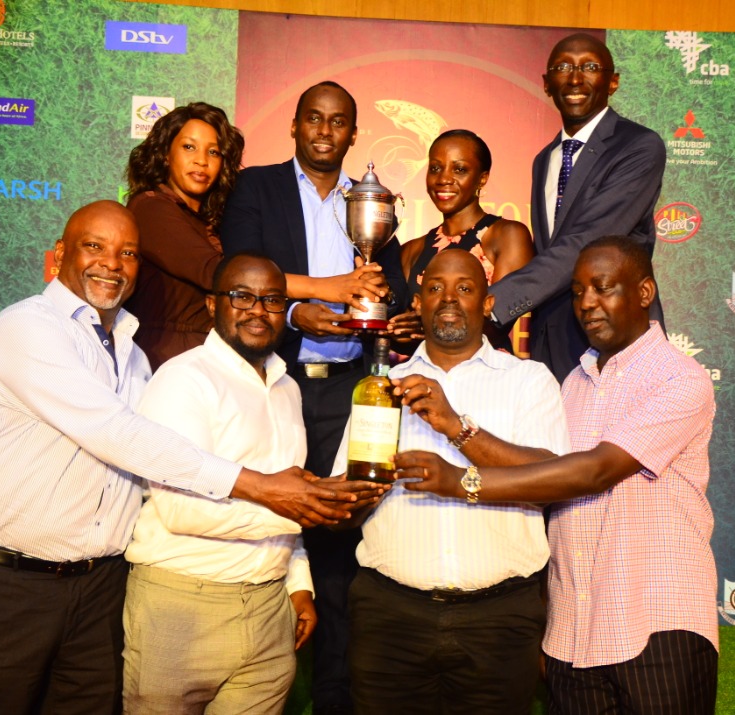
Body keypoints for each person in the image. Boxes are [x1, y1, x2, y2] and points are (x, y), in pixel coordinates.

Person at [0, 201, 377, 715]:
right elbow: (117, 434)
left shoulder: (135, 356)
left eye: (129, 253)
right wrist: (262, 487)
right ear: (58, 256)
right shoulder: (27, 329)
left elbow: (149, 469)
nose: (112, 263)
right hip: (3, 586)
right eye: (95, 247)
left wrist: (295, 570)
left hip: (99, 590)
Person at [397, 236, 718, 714]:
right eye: (578, 291)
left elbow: (595, 471)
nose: (587, 303)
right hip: (573, 635)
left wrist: (461, 479)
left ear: (645, 293)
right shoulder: (572, 383)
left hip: (656, 622)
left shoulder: (679, 377)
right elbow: (544, 477)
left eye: (603, 288)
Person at [221, 81, 408, 715]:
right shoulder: (257, 188)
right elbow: (241, 268)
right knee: (266, 524)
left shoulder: (372, 204)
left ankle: (332, 695)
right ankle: (250, 680)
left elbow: (395, 296)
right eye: (314, 120)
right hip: (278, 384)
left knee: (341, 547)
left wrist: (386, 312)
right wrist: (300, 311)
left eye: (339, 123)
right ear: (296, 126)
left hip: (353, 395)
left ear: (354, 134)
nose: (325, 132)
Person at [337, 248, 570, 714]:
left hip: (499, 621)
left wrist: (454, 425)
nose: (449, 298)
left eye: (465, 288)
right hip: (391, 619)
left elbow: (549, 479)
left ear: (487, 304)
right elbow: (345, 505)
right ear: (417, 303)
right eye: (435, 288)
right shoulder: (383, 388)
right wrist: (360, 489)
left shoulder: (529, 381)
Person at [124, 253, 336, 713]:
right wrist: (304, 509)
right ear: (211, 304)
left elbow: (288, 488)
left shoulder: (287, 388)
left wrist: (298, 585)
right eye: (242, 296)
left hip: (270, 609)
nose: (258, 310)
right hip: (181, 605)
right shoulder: (182, 380)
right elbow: (182, 510)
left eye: (273, 300)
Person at [488, 33, 666, 381]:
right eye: (563, 67)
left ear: (612, 82)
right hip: (550, 342)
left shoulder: (639, 146)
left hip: (614, 337)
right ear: (545, 83)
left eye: (589, 67)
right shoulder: (545, 159)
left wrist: (491, 304)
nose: (574, 78)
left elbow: (587, 242)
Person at [124, 101, 245, 371]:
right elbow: (213, 272)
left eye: (213, 152)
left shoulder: (214, 219)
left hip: (213, 362)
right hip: (164, 363)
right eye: (189, 147)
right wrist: (320, 287)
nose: (201, 160)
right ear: (166, 154)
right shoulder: (150, 207)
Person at [392, 129, 534, 350]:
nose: (444, 179)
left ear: (482, 178)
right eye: (435, 168)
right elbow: (401, 337)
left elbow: (496, 323)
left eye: (459, 169)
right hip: (424, 376)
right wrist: (396, 334)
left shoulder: (508, 236)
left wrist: (425, 329)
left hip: (488, 376)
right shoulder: (412, 250)